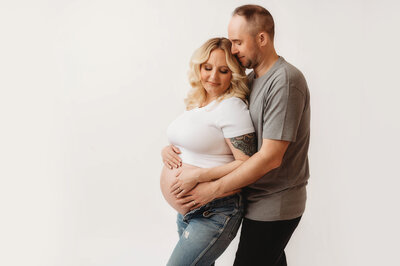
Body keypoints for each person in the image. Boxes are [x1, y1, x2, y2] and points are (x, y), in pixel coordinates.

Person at [163, 5, 311, 266]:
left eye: (238, 42)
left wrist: (210, 188)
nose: (233, 50)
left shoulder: (285, 81)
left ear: (262, 38)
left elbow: (270, 158)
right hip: (252, 197)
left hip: (273, 202)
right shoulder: (253, 80)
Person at [160, 37, 257, 266]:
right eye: (208, 68)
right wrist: (166, 151)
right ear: (199, 67)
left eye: (223, 70)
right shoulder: (198, 103)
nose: (213, 77)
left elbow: (247, 163)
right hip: (188, 211)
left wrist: (198, 176)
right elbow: (190, 144)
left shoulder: (232, 107)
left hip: (215, 211)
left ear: (233, 73)